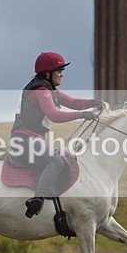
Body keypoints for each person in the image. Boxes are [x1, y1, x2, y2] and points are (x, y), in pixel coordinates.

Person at [10, 51, 103, 218]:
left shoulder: (48, 89)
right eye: (59, 71)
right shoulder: (40, 90)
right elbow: (54, 115)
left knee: (66, 159)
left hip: (31, 140)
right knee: (56, 161)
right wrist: (82, 115)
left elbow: (73, 102)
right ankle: (37, 200)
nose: (61, 75)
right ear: (47, 73)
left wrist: (93, 103)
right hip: (24, 141)